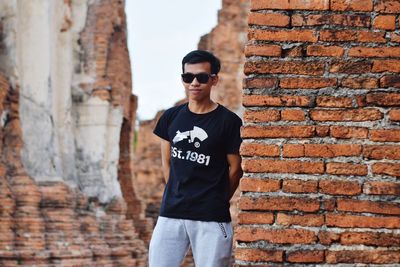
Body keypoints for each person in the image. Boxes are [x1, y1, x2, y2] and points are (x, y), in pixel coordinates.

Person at [149, 50, 243, 267]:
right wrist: (175, 193)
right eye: (187, 77)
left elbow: (236, 169)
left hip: (211, 217)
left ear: (214, 80)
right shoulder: (171, 117)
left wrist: (217, 200)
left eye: (201, 77)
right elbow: (167, 162)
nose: (194, 82)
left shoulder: (229, 122)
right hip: (171, 214)